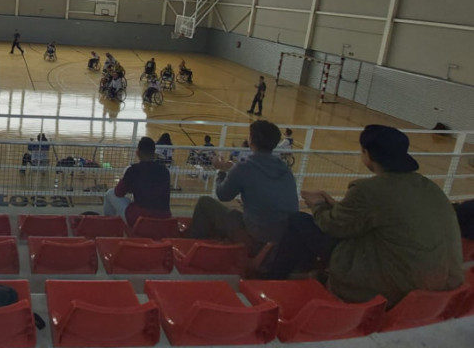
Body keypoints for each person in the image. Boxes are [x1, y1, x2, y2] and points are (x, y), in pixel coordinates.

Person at [264, 125, 464, 307]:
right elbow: (387, 219)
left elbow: (332, 226)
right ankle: (304, 276)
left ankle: (272, 281)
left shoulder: (369, 190)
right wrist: (337, 205)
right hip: (443, 281)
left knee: (299, 221)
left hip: (399, 286)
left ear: (367, 154)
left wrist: (317, 205)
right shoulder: (428, 187)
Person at [188, 120, 298, 253]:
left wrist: (221, 170)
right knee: (235, 213)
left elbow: (222, 194)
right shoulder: (285, 170)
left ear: (251, 141)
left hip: (257, 236)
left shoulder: (244, 168)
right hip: (283, 237)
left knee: (204, 203)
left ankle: (194, 248)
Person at [103, 137, 171, 226]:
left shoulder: (133, 170)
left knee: (109, 193)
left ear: (137, 153)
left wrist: (126, 180)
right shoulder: (165, 171)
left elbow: (118, 193)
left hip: (140, 218)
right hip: (165, 218)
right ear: (154, 153)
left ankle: (108, 227)